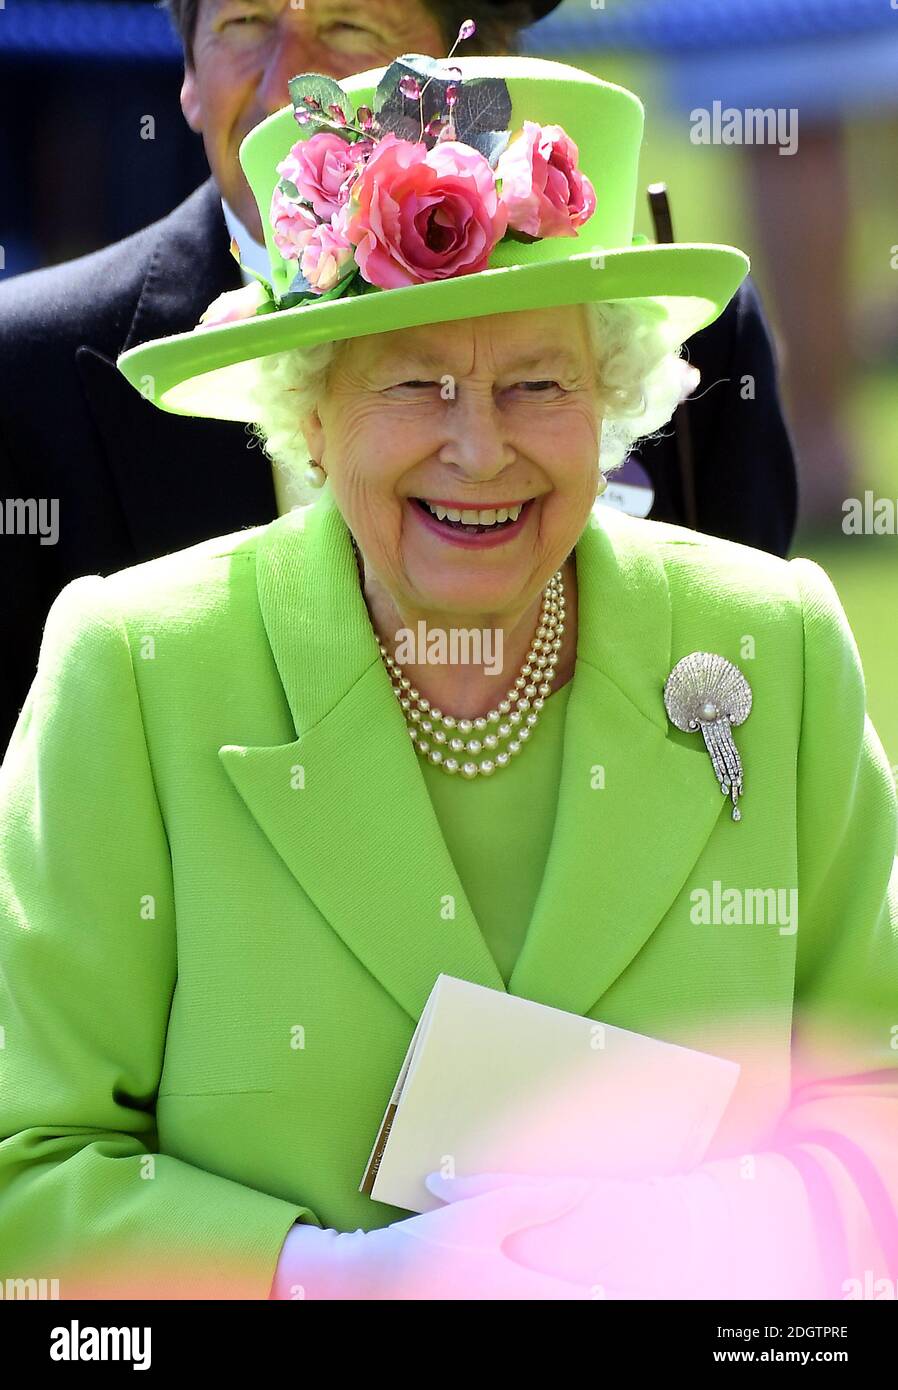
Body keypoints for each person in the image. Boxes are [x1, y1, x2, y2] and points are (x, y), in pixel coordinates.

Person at [2, 51, 890, 1302]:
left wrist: (733, 1221)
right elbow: (25, 1171)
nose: (480, 449)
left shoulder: (770, 644)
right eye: (415, 384)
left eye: (538, 384)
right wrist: (315, 1276)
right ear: (309, 414)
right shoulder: (140, 675)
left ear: (614, 400)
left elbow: (876, 1082)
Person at [0, 0, 796, 760]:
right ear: (187, 74)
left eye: (350, 24)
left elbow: (748, 730)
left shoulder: (694, 340)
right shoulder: (27, 374)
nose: (286, 84)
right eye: (243, 23)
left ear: (479, 71)